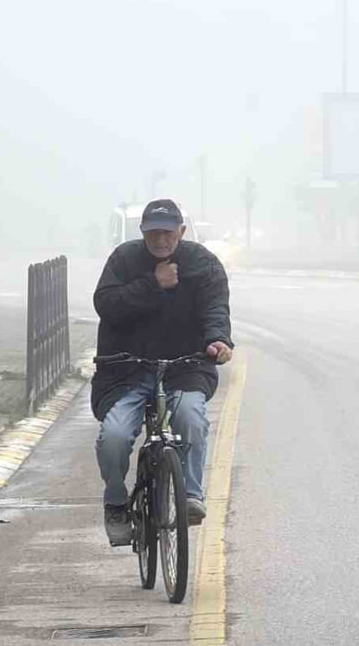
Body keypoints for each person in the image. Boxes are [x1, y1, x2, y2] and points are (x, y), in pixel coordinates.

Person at [91, 198, 233, 546]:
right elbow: (106, 305)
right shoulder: (123, 260)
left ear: (181, 232)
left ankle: (191, 497)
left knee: (190, 417)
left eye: (168, 233)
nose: (161, 240)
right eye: (153, 233)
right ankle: (115, 503)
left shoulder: (202, 263)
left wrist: (217, 340)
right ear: (142, 233)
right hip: (127, 370)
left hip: (184, 367)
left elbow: (215, 307)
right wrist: (153, 284)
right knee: (114, 437)